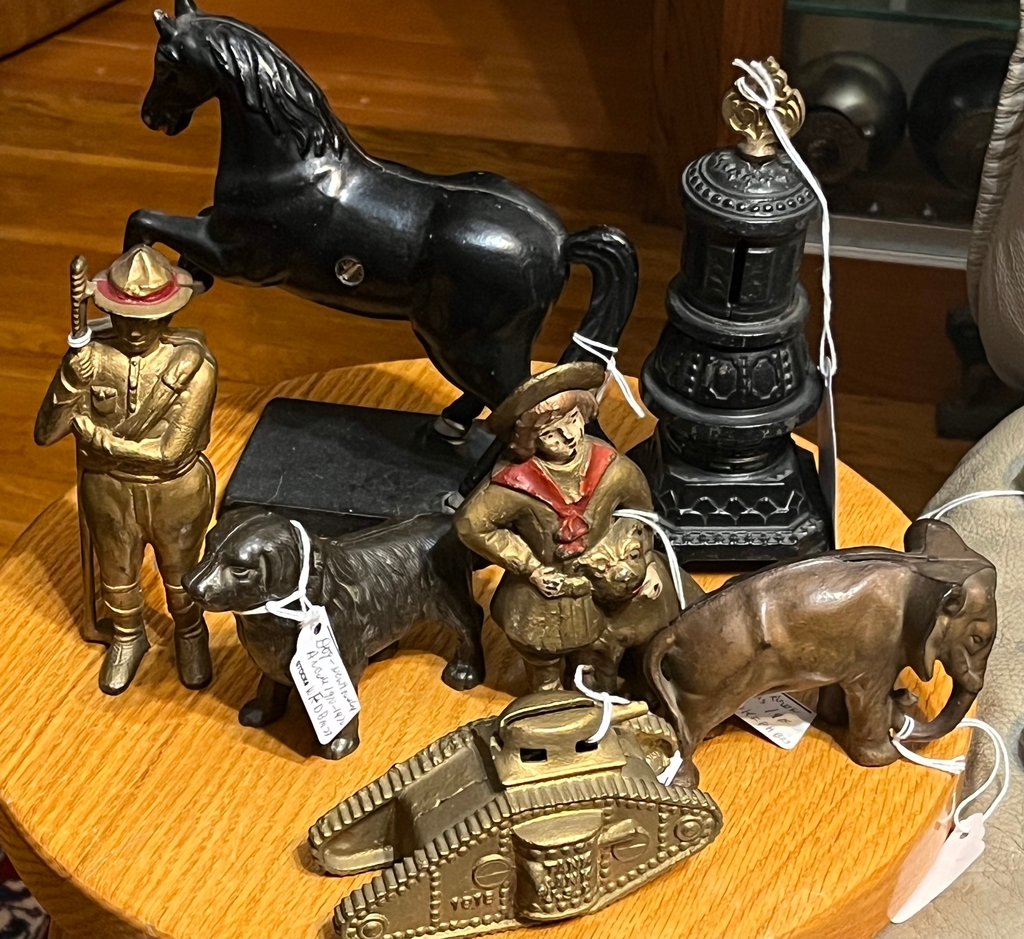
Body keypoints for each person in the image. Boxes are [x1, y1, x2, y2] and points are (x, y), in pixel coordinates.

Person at [35, 245, 217, 695]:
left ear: (169, 314)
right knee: (116, 577)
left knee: (181, 576)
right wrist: (71, 379)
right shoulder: (93, 358)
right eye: (124, 317)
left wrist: (100, 441)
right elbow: (46, 433)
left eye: (148, 319)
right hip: (108, 490)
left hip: (175, 489)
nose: (135, 330)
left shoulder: (194, 367)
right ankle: (127, 637)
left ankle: (190, 632)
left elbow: (171, 453)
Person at [454, 362, 661, 692]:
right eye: (550, 433)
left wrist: (646, 561)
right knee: (543, 664)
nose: (568, 436)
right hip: (542, 597)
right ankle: (547, 698)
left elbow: (641, 515)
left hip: (602, 590)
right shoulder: (514, 484)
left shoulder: (612, 468)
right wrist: (531, 567)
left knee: (598, 657)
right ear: (528, 440)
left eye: (573, 420)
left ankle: (588, 691)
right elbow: (471, 524)